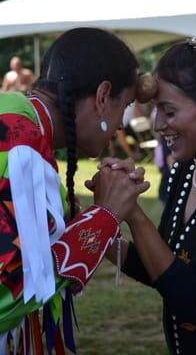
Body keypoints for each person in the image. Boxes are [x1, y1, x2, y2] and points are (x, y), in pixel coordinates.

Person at [88, 39, 196, 355]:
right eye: (156, 110)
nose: (157, 125)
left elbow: (191, 296)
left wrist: (133, 213)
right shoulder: (187, 171)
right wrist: (92, 225)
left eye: (168, 111)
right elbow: (165, 269)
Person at [0, 27, 151, 355]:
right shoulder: (19, 148)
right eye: (123, 106)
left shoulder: (18, 125)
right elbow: (8, 293)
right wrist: (103, 218)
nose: (120, 126)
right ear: (101, 97)